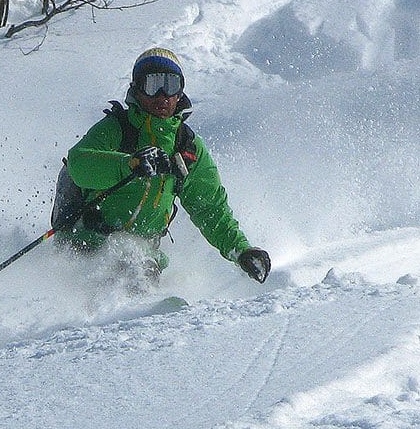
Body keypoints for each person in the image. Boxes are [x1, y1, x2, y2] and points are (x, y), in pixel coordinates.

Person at [57, 47, 270, 284]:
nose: (162, 96)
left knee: (135, 278)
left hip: (144, 259)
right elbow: (79, 164)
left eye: (171, 85)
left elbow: (210, 208)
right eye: (152, 84)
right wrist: (129, 164)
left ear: (180, 92)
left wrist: (240, 250)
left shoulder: (187, 147)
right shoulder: (117, 129)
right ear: (137, 89)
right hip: (88, 244)